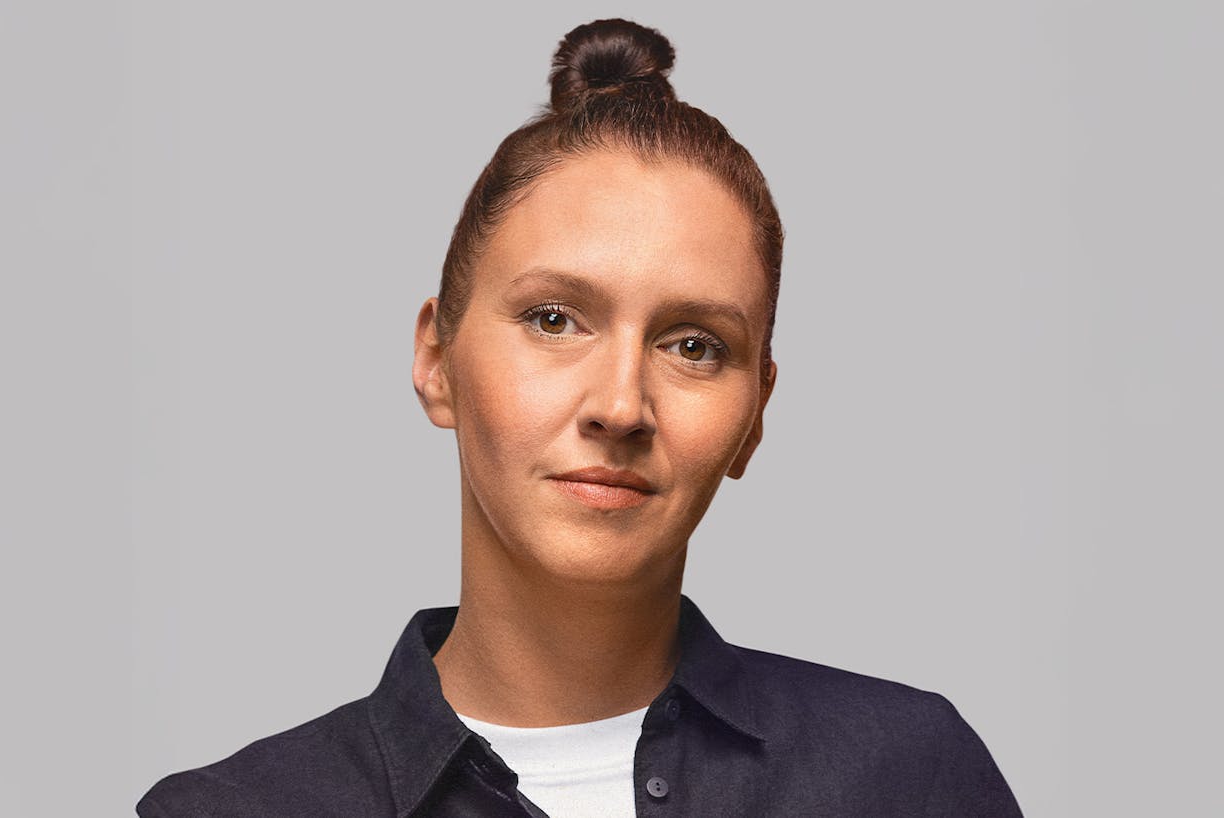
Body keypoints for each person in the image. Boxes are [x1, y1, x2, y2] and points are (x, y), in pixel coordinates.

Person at [138, 18, 1023, 817]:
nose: (619, 406)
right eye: (554, 319)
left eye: (694, 345)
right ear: (437, 361)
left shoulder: (906, 777)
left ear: (755, 414)